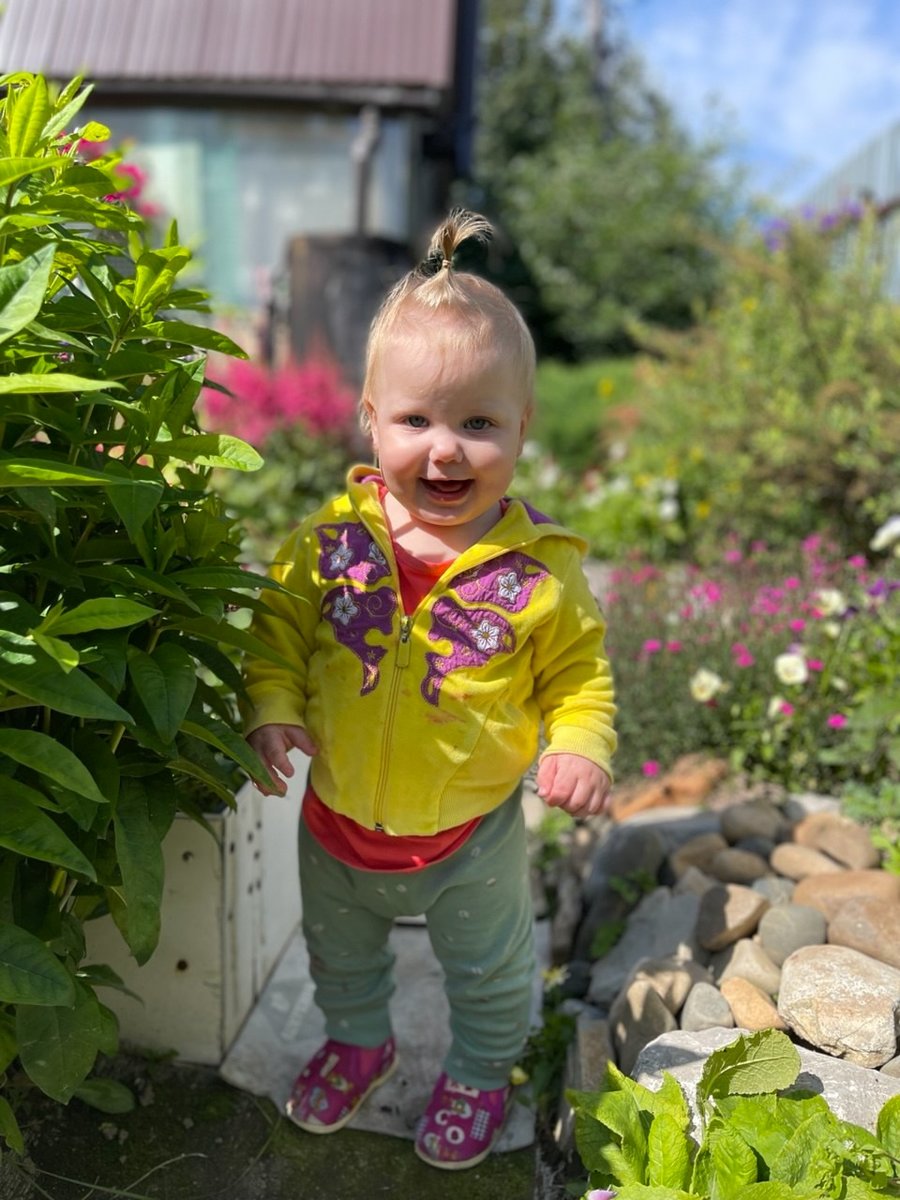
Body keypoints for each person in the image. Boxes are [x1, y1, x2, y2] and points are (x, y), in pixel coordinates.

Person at [241, 209, 616, 1170]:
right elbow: (278, 635)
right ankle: (358, 1044)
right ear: (371, 419)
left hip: (469, 837)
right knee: (341, 958)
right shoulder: (328, 545)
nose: (446, 450)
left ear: (523, 429)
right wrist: (272, 707)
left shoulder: (537, 573)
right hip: (335, 822)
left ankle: (483, 1074)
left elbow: (579, 676)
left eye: (479, 424)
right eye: (417, 421)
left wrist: (580, 744)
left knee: (488, 972)